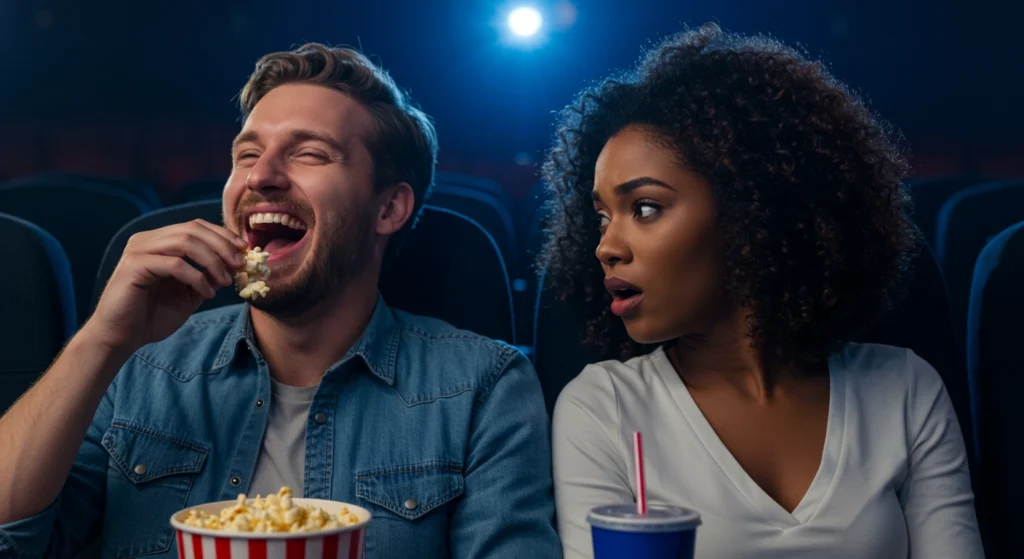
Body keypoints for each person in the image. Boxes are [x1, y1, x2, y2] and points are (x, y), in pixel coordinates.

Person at [0, 43, 560, 559]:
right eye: (247, 155)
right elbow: (14, 538)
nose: (261, 176)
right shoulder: (136, 364)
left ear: (389, 209)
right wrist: (102, 339)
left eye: (310, 154)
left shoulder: (484, 387)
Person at [543, 23, 984, 559]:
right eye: (602, 218)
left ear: (753, 208)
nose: (606, 247)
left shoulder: (907, 390)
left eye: (646, 208)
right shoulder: (601, 408)